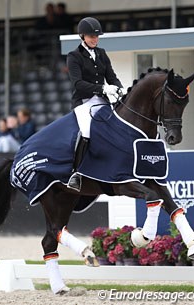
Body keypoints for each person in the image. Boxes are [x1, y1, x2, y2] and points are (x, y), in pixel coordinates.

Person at [66, 17, 127, 192]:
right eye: (91, 36)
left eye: (96, 36)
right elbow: (77, 83)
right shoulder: (74, 56)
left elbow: (112, 76)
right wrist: (102, 88)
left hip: (102, 101)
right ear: (82, 36)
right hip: (84, 102)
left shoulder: (101, 53)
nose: (94, 39)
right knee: (86, 130)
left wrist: (120, 89)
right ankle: (75, 172)